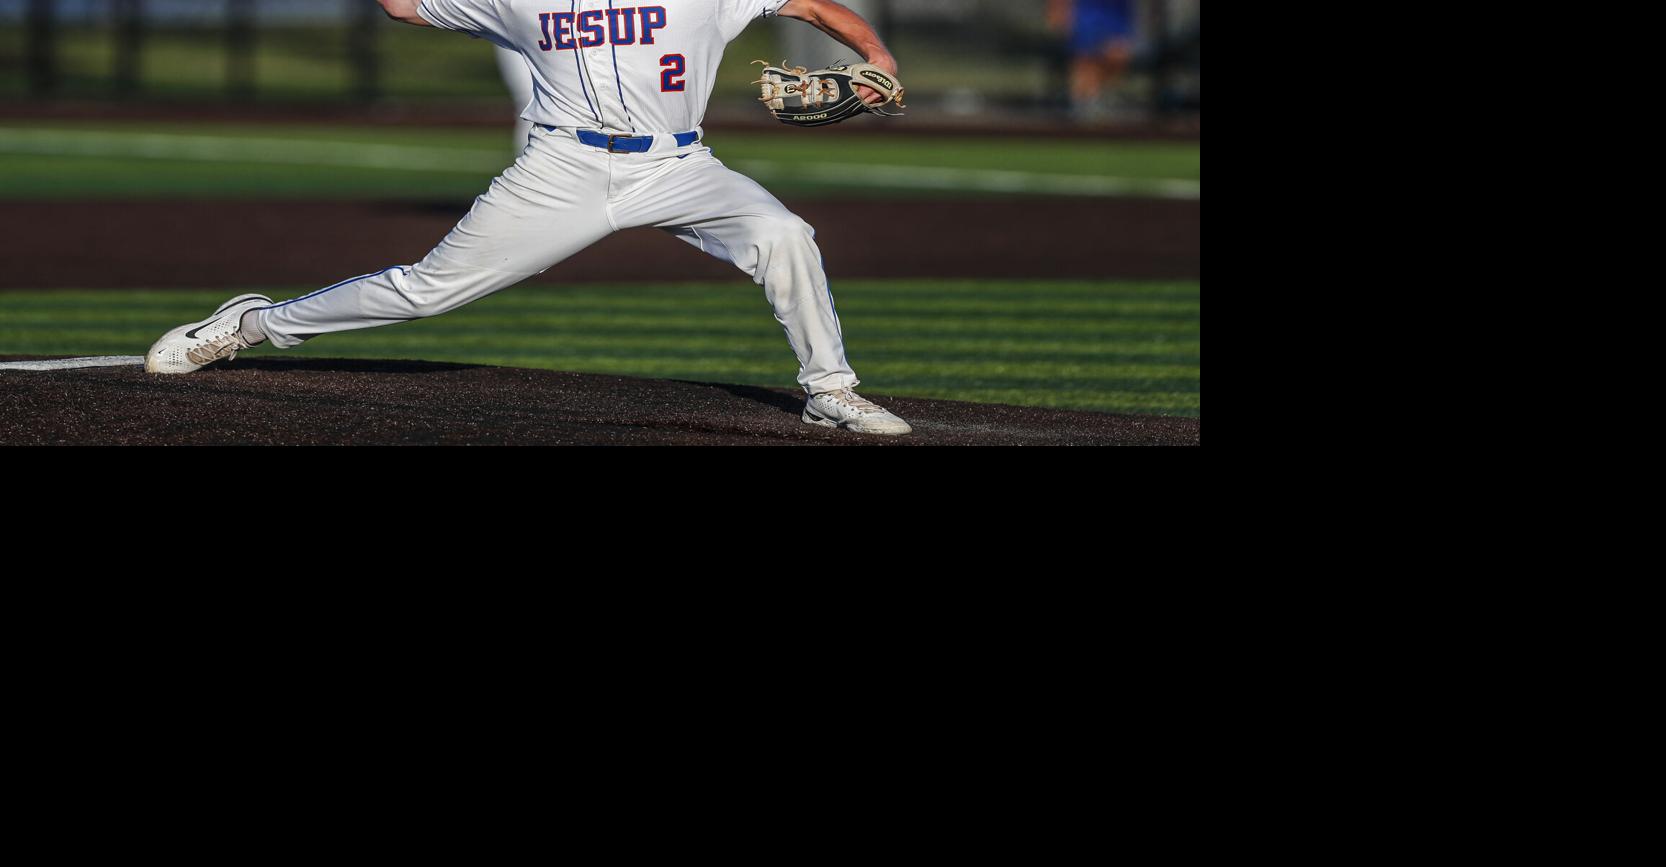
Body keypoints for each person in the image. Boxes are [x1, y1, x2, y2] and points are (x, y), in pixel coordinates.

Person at [146, 0, 912, 436]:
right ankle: (248, 326)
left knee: (784, 233)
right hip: (563, 169)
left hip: (680, 166)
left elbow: (811, 5)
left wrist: (878, 56)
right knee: (426, 291)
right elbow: (400, 5)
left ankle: (830, 390)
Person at [1048, 0, 1136, 122]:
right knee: (1086, 58)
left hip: (1117, 12)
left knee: (1118, 55)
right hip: (1087, 11)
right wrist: (1058, 11)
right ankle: (1084, 103)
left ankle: (1099, 96)